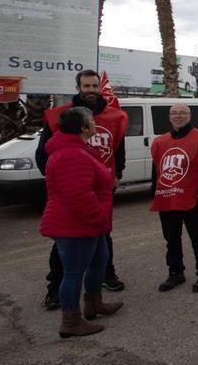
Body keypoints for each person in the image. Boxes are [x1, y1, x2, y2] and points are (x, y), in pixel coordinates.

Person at [36, 69, 128, 310]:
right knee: (66, 246)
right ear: (78, 88)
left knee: (102, 242)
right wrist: (61, 181)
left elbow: (118, 147)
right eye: (86, 86)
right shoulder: (60, 117)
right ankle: (55, 290)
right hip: (73, 192)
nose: (91, 91)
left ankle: (103, 282)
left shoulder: (114, 116)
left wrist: (117, 173)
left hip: (103, 189)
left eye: (94, 86)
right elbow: (42, 155)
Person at [39, 107, 123, 338]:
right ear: (83, 128)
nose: (95, 125)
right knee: (74, 273)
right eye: (91, 122)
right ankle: (71, 321)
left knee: (100, 262)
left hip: (90, 224)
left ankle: (94, 304)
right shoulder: (70, 155)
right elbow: (78, 196)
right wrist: (98, 218)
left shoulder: (78, 150)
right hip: (76, 225)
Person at [149, 103, 198, 293]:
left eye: (182, 113)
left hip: (192, 199)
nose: (178, 116)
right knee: (172, 239)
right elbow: (157, 171)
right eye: (174, 113)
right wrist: (155, 194)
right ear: (169, 117)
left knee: (197, 238)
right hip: (167, 198)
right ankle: (176, 272)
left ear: (189, 115)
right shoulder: (160, 142)